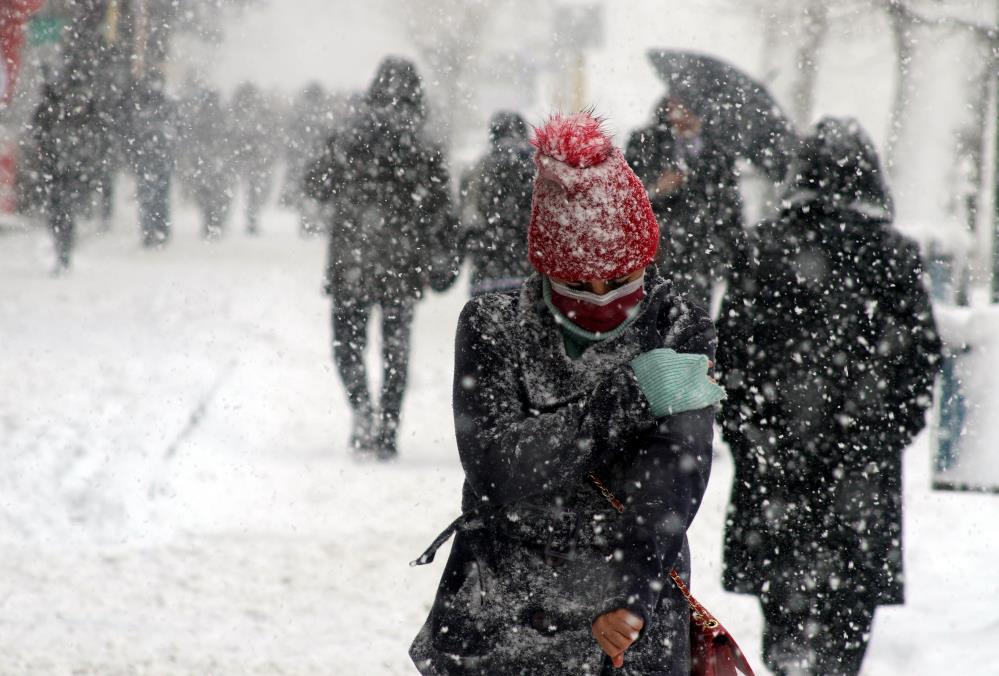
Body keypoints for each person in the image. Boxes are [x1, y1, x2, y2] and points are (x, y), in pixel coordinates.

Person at [409, 112, 726, 674]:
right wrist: (631, 394)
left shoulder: (677, 325)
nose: (602, 298)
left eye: (621, 280)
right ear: (546, 268)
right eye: (578, 284)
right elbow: (497, 467)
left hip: (632, 608)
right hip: (505, 611)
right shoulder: (492, 326)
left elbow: (673, 475)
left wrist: (631, 595)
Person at [715, 117, 942, 676]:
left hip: (776, 465)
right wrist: (884, 433)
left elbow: (727, 357)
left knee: (787, 619)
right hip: (860, 474)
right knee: (847, 621)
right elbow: (919, 359)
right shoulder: (893, 254)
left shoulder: (762, 248)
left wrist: (750, 431)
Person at [305, 57, 459, 458]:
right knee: (396, 348)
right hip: (401, 261)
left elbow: (316, 184)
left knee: (347, 343)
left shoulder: (349, 135)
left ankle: (361, 410)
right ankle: (388, 427)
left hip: (352, 257)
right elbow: (442, 209)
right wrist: (442, 255)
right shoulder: (423, 145)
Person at [625, 96, 743, 309]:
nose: (683, 115)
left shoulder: (719, 151)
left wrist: (718, 255)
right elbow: (624, 199)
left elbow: (729, 211)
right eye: (678, 105)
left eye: (691, 108)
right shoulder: (645, 141)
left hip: (698, 263)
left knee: (691, 322)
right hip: (654, 261)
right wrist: (655, 189)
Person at [458, 110, 535, 297]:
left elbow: (467, 221)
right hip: (530, 277)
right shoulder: (539, 168)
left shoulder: (477, 170)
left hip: (486, 276)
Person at [31, 80, 103, 273]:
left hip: (59, 169)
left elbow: (38, 136)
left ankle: (62, 247)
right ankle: (63, 247)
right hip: (62, 169)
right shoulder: (61, 112)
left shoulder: (53, 111)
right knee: (62, 211)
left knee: (59, 211)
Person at [123, 77, 176, 248]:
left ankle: (152, 230)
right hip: (154, 158)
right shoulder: (162, 106)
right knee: (157, 196)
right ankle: (157, 230)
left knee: (151, 196)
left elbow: (130, 134)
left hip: (150, 158)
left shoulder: (142, 106)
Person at [177, 87, 236, 239]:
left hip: (203, 162)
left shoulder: (199, 116)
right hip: (217, 161)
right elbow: (231, 137)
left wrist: (195, 157)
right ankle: (216, 222)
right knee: (219, 195)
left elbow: (190, 138)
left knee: (205, 195)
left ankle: (209, 222)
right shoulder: (223, 115)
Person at [230, 82, 279, 235]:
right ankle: (252, 218)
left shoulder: (240, 113)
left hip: (251, 159)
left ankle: (251, 217)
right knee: (255, 191)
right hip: (255, 159)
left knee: (252, 191)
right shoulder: (258, 113)